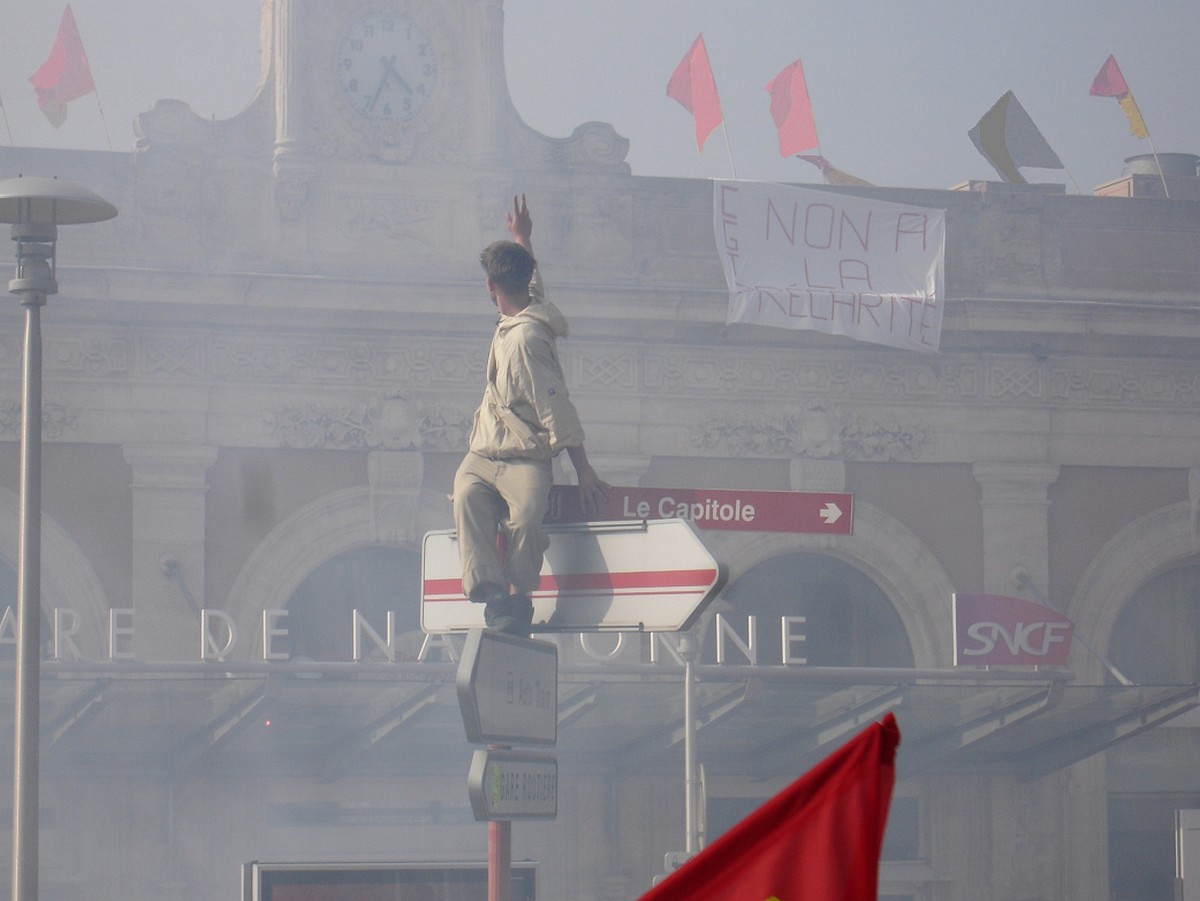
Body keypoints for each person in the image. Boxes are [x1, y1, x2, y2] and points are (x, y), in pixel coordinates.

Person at [452, 195, 610, 637]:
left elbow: (556, 407)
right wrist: (523, 239)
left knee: (526, 516)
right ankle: (491, 592)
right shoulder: (526, 307)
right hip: (484, 454)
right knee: (466, 495)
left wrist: (583, 470)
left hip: (524, 457)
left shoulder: (526, 340)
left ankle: (518, 596)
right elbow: (533, 286)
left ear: (490, 288)